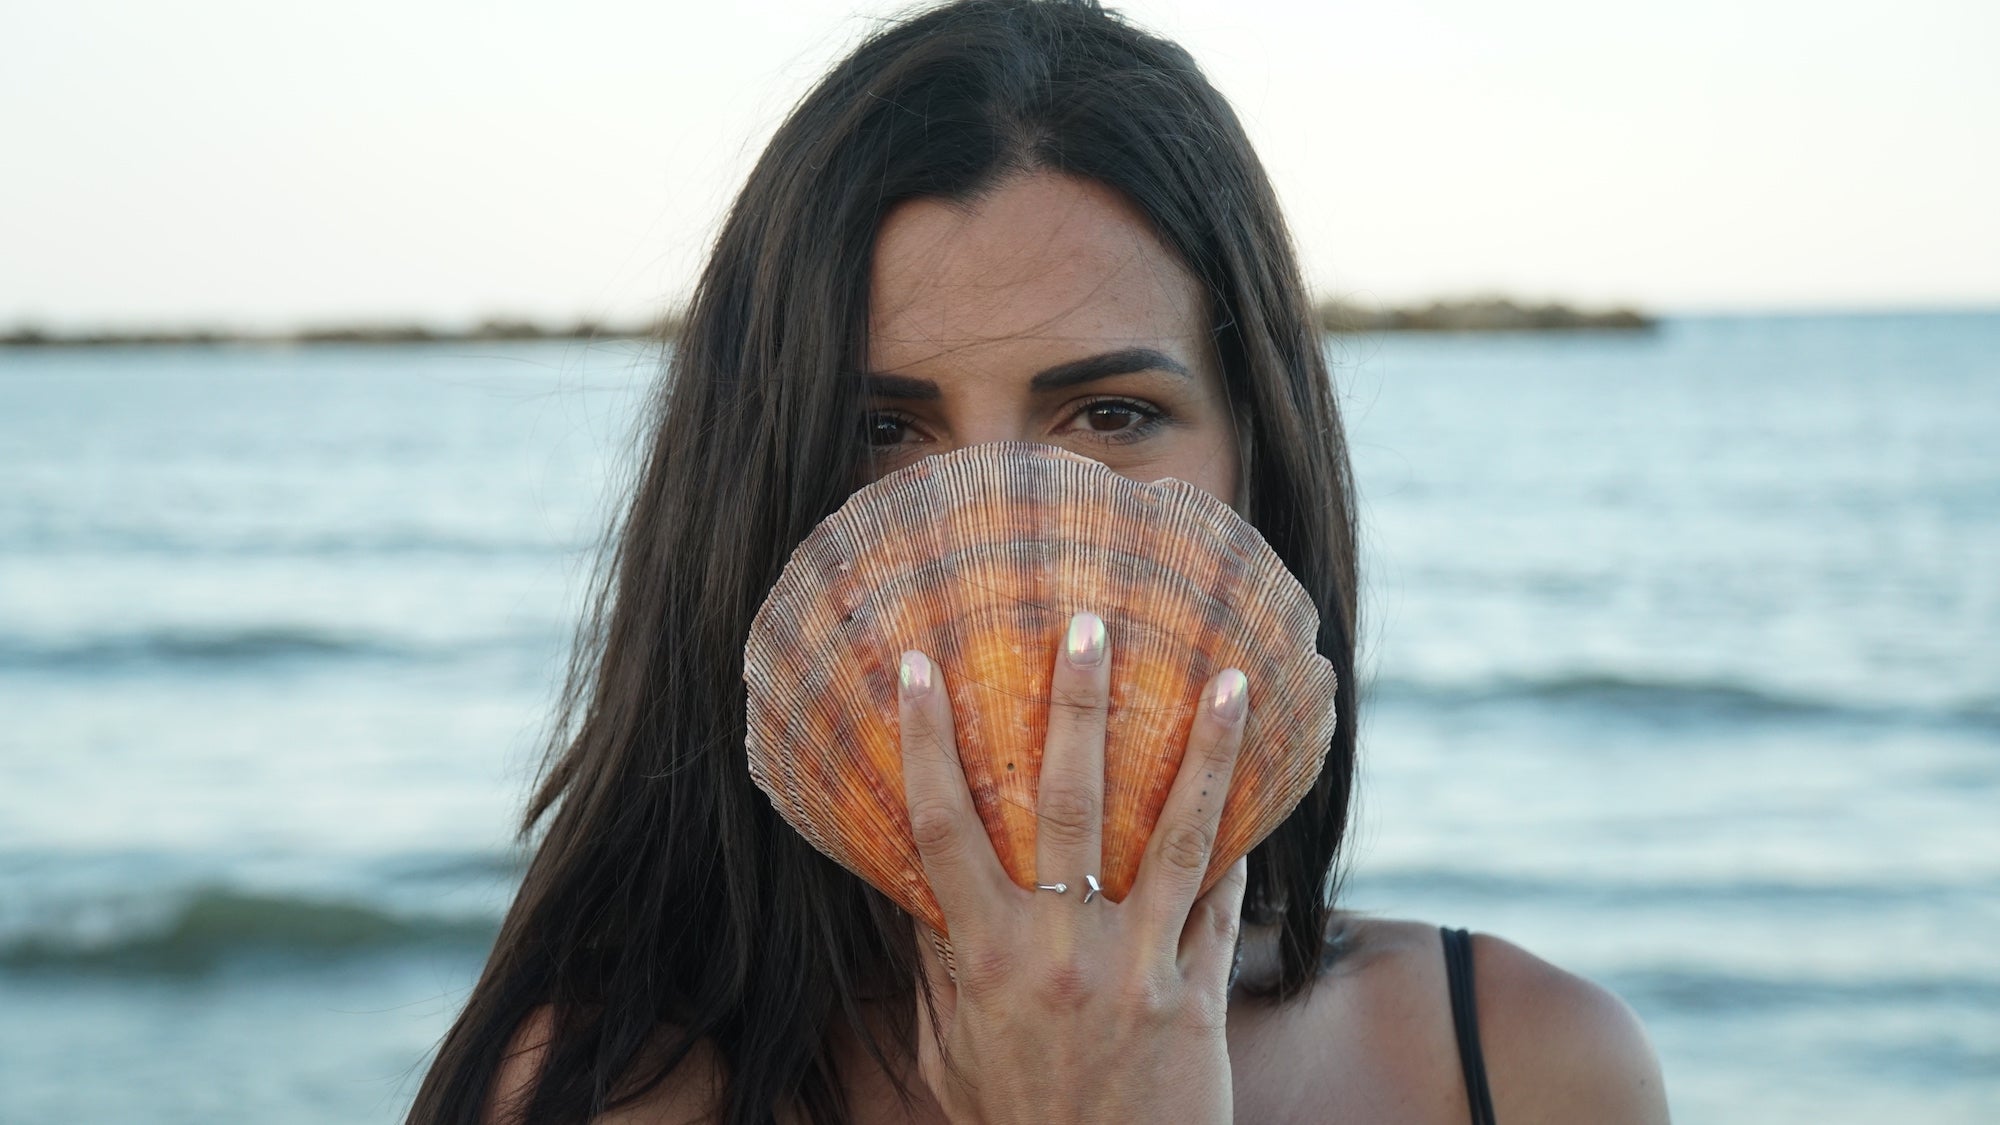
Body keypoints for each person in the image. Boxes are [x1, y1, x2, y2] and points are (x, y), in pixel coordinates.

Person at [408, 1, 1670, 1121]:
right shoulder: (599, 1095)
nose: (1004, 521)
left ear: (1258, 457)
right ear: (758, 487)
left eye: (1110, 414)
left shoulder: (1531, 1069)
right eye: (882, 430)